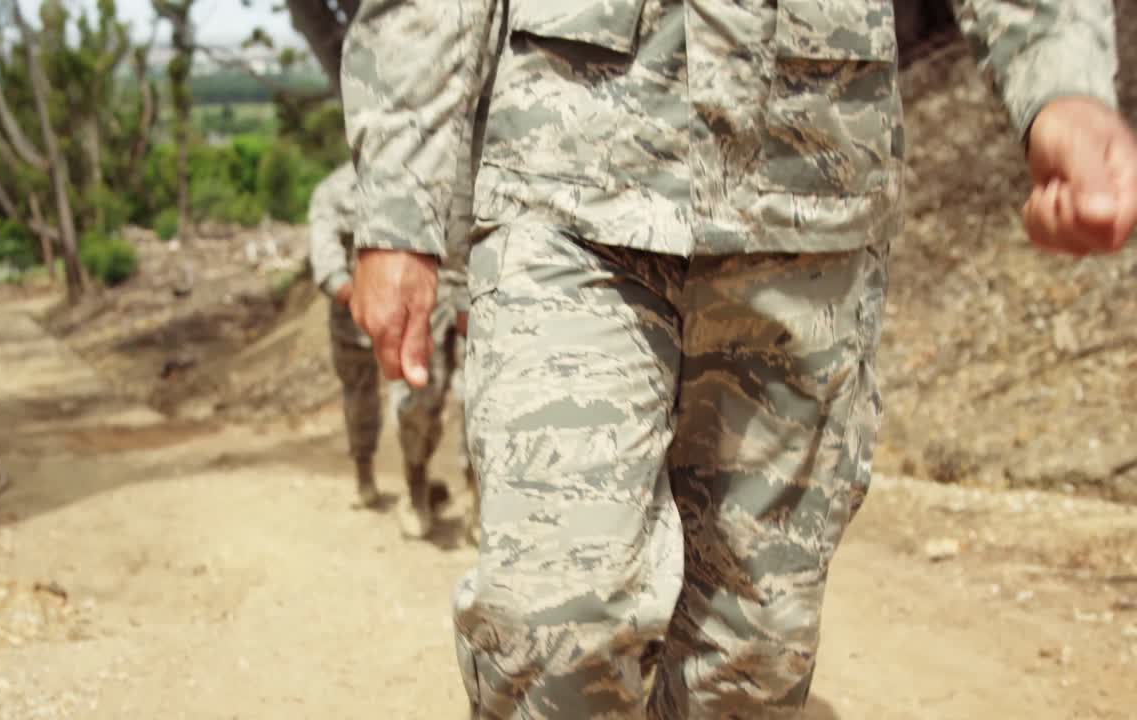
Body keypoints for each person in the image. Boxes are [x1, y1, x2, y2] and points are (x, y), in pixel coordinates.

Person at [341, 1, 1137, 717]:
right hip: (569, 184)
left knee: (747, 665)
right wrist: (398, 207)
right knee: (556, 623)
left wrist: (1061, 83)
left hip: (809, 204)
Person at [308, 161, 477, 541]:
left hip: (442, 302)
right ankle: (386, 481)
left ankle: (476, 499)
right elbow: (327, 261)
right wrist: (364, 297)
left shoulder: (438, 170)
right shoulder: (334, 191)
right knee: (369, 397)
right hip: (359, 314)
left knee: (467, 395)